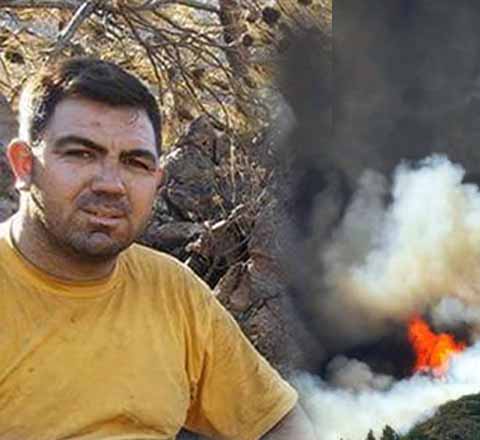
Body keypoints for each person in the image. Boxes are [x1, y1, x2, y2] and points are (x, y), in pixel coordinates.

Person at [0, 57, 316, 439]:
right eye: (81, 153)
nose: (111, 184)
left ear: (157, 180)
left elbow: (274, 421)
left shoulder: (171, 291)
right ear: (23, 165)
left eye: (135, 162)